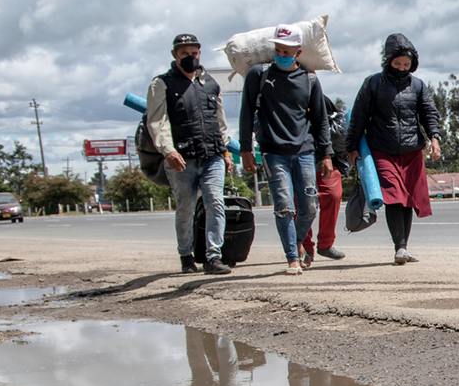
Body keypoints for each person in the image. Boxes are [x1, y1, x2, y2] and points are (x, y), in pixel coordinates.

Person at [240, 24, 333, 275]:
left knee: (310, 207)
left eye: (287, 51)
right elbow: (246, 113)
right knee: (284, 206)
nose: (282, 55)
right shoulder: (258, 75)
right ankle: (292, 257)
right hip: (272, 151)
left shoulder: (310, 80)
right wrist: (245, 149)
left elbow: (320, 120)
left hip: (304, 150)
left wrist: (326, 155)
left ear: (298, 52)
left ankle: (297, 243)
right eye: (278, 50)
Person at [345, 34, 442, 264]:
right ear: (388, 61)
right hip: (382, 149)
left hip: (411, 151)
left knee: (407, 199)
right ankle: (399, 247)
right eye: (397, 64)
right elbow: (358, 117)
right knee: (394, 197)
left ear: (413, 64)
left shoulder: (418, 85)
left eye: (406, 65)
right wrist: (351, 147)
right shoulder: (373, 83)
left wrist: (434, 138)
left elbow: (429, 114)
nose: (401, 68)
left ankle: (403, 247)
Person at [146, 33, 232, 275]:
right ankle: (186, 255)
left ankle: (213, 257)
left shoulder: (211, 84)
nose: (190, 58)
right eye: (184, 54)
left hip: (212, 154)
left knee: (215, 202)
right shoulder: (161, 84)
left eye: (194, 53)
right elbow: (157, 121)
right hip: (181, 159)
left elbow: (220, 122)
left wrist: (225, 151)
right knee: (186, 207)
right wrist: (168, 150)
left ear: (199, 53)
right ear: (175, 55)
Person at [300, 103, 349, 265]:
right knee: (301, 203)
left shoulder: (321, 97)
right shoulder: (285, 93)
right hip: (298, 157)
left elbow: (338, 126)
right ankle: (305, 247)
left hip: (325, 157)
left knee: (333, 195)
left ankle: (326, 244)